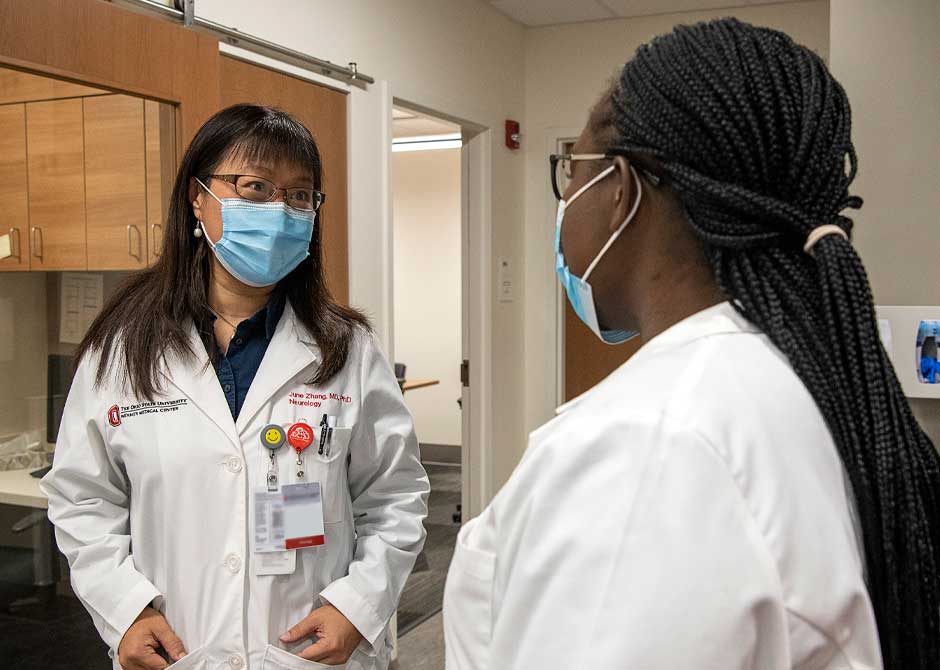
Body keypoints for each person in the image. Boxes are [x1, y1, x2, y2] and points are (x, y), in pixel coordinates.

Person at [443, 18, 939, 670]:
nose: (565, 201)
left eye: (571, 170)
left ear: (618, 189)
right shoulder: (803, 378)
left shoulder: (651, 445)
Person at [42, 104, 429, 670]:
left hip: (310, 650)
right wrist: (127, 610)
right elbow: (82, 498)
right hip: (179, 647)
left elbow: (394, 497)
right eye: (254, 187)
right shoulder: (124, 348)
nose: (280, 210)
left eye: (300, 196)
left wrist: (358, 606)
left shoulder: (347, 348)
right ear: (197, 199)